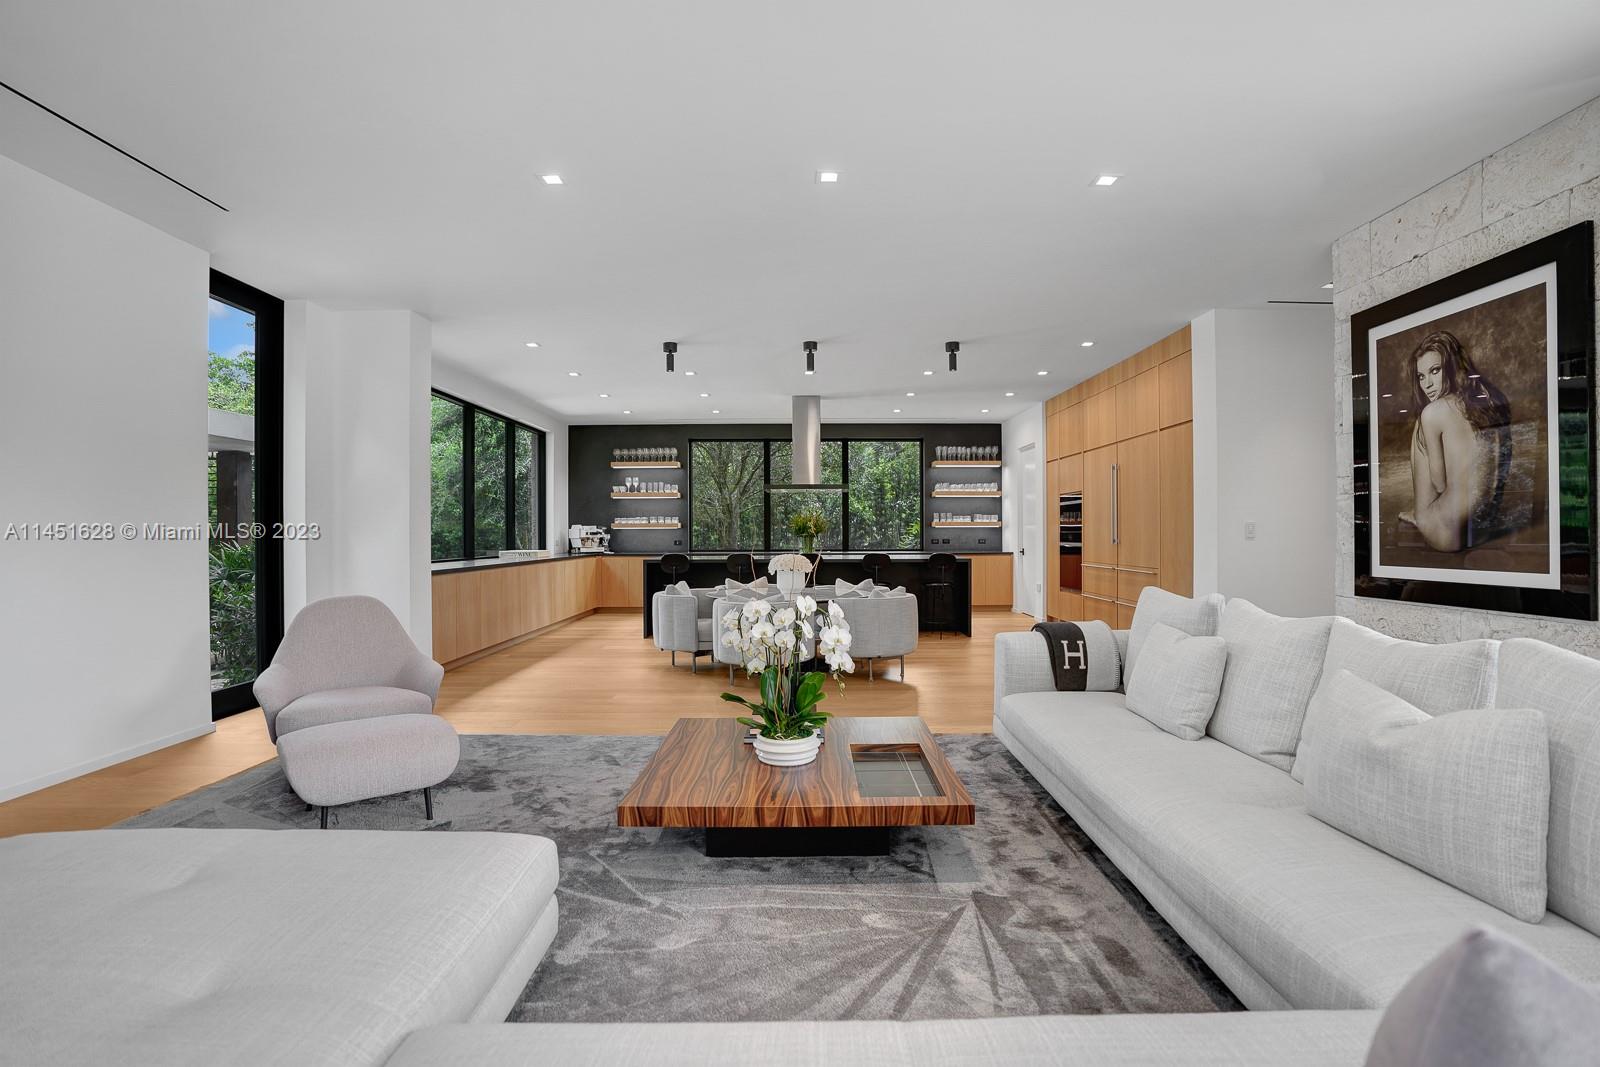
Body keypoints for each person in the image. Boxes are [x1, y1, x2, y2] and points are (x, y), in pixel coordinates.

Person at [1399, 330, 1512, 552]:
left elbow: (1440, 484)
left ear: (1452, 367)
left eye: (1435, 371)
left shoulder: (1433, 412)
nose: (1427, 384)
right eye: (1421, 376)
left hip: (1446, 536)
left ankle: (1421, 515)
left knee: (1422, 424)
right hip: (1484, 529)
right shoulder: (1493, 399)